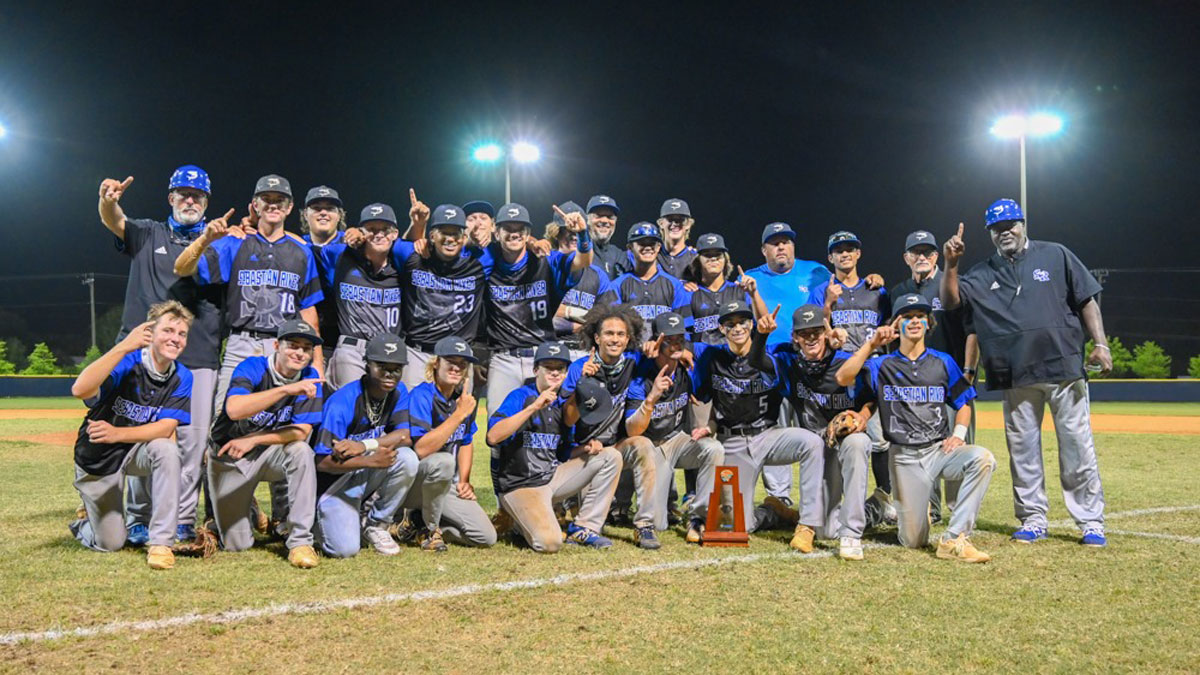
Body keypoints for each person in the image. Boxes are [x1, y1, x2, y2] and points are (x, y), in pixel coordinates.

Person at [940, 198, 1110, 547]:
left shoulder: (1056, 254)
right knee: (1023, 451)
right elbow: (951, 302)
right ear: (990, 234)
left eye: (1011, 225)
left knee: (1077, 448)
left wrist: (1101, 343)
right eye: (998, 228)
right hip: (1013, 373)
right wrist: (951, 264)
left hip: (1063, 368)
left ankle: (1090, 521)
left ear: (1022, 223)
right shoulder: (981, 273)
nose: (1006, 232)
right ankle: (1033, 518)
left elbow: (1086, 299)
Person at [97, 166, 221, 544]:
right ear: (170, 198)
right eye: (183, 193)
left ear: (206, 202)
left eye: (197, 196)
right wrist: (106, 201)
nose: (189, 200)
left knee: (192, 443)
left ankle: (182, 519)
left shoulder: (219, 242)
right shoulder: (149, 232)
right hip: (143, 355)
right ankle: (139, 517)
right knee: (139, 436)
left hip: (198, 353)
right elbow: (114, 220)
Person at [836, 294, 995, 563]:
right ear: (895, 325)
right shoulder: (881, 365)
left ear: (928, 323)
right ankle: (903, 508)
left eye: (920, 316)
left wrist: (958, 436)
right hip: (904, 458)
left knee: (982, 459)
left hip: (938, 451)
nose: (914, 321)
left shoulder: (942, 361)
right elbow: (843, 376)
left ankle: (953, 538)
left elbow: (964, 403)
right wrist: (872, 343)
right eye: (907, 317)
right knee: (913, 541)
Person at [174, 174, 325, 404]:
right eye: (266, 198)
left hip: (285, 346)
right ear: (255, 205)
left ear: (290, 207)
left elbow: (308, 312)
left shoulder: (302, 252)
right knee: (224, 417)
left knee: (278, 416)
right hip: (241, 344)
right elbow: (182, 269)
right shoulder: (235, 242)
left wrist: (317, 364)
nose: (273, 204)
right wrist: (205, 239)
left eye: (280, 200)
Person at [68, 301, 195, 570]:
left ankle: (161, 542)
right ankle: (86, 521)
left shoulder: (183, 376)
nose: (175, 338)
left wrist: (117, 433)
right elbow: (80, 389)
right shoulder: (127, 361)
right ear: (149, 333)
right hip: (98, 456)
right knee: (112, 543)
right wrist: (125, 345)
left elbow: (165, 428)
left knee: (167, 449)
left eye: (181, 334)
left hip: (133, 451)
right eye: (168, 330)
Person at [693, 301, 826, 551]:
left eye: (743, 321)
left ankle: (807, 525)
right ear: (721, 329)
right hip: (733, 441)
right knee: (742, 525)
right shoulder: (712, 357)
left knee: (811, 443)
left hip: (769, 435)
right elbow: (687, 356)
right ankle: (772, 511)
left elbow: (808, 350)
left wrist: (835, 337)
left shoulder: (774, 353)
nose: (737, 328)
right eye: (730, 324)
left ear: (751, 324)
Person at [749, 304, 872, 560]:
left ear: (826, 333)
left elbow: (871, 396)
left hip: (845, 441)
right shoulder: (789, 361)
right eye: (804, 333)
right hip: (816, 446)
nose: (811, 338)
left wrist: (862, 415)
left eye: (816, 331)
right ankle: (790, 514)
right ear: (795, 337)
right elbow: (756, 360)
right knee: (826, 531)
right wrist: (761, 335)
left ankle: (856, 528)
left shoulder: (843, 360)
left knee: (859, 443)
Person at [206, 319, 324, 568]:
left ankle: (301, 541)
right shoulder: (253, 366)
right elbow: (234, 409)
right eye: (293, 345)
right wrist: (286, 391)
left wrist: (254, 439)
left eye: (306, 348)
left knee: (301, 451)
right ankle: (249, 508)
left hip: (267, 453)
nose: (300, 353)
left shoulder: (310, 376)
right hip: (230, 457)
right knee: (238, 544)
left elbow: (301, 431)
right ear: (276, 346)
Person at [487, 341, 622, 551]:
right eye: (548, 367)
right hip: (521, 486)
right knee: (549, 542)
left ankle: (584, 527)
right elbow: (493, 437)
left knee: (610, 456)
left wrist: (585, 449)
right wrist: (533, 407)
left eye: (560, 368)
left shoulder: (562, 403)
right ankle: (518, 521)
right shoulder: (520, 396)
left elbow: (562, 452)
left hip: (552, 478)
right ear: (535, 370)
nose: (555, 372)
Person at [891, 229, 979, 524]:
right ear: (906, 258)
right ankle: (931, 510)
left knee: (956, 445)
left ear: (936, 256)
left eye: (928, 252)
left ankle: (959, 511)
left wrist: (968, 371)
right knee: (922, 447)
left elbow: (972, 331)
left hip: (951, 381)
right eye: (915, 252)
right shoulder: (898, 291)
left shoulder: (952, 284)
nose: (922, 257)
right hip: (914, 386)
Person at [743, 222, 833, 506]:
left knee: (815, 430)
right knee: (776, 428)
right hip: (774, 364)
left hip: (811, 364)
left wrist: (873, 279)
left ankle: (820, 495)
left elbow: (842, 291)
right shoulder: (750, 278)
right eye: (774, 242)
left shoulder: (816, 271)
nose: (781, 247)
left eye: (786, 241)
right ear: (764, 249)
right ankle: (780, 498)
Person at [558, 304, 660, 548]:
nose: (614, 339)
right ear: (596, 337)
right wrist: (583, 383)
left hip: (613, 445)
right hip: (582, 451)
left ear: (628, 339)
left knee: (643, 444)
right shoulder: (578, 368)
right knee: (607, 457)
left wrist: (649, 402)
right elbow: (567, 420)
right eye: (608, 333)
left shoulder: (633, 367)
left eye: (620, 334)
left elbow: (634, 429)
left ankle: (644, 525)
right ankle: (581, 522)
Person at [808, 230, 893, 522]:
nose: (844, 254)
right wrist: (829, 304)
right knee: (840, 436)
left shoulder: (876, 289)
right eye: (838, 250)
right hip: (840, 372)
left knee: (881, 439)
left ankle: (884, 496)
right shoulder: (822, 290)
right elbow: (813, 328)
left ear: (859, 254)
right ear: (830, 257)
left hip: (873, 370)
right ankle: (837, 502)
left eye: (850, 249)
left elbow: (890, 326)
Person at [313, 333, 419, 558]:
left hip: (363, 469)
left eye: (396, 368)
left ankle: (376, 525)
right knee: (345, 549)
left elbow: (405, 435)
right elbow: (320, 462)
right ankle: (317, 523)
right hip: (333, 485)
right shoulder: (343, 402)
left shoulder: (398, 393)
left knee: (407, 457)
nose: (390, 374)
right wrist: (369, 460)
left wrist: (364, 446)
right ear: (367, 365)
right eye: (382, 366)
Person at [624, 312, 724, 544]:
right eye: (671, 339)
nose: (677, 344)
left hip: (677, 439)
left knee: (714, 449)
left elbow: (714, 387)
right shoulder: (641, 374)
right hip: (651, 447)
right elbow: (632, 430)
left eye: (680, 338)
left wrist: (710, 425)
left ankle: (698, 517)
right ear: (657, 341)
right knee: (659, 523)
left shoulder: (686, 370)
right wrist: (651, 398)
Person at [483, 203, 591, 416]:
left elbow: (582, 262)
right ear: (497, 232)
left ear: (528, 233)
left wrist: (582, 234)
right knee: (499, 423)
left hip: (543, 357)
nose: (514, 234)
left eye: (520, 229)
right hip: (504, 357)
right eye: (508, 228)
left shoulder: (546, 260)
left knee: (546, 423)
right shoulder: (488, 261)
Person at [371, 204, 494, 390]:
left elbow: (515, 248)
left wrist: (533, 241)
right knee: (411, 415)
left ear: (464, 237)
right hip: (418, 354)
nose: (450, 239)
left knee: (459, 416)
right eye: (444, 232)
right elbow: (378, 243)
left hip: (458, 358)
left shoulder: (479, 262)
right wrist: (416, 228)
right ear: (432, 235)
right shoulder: (413, 256)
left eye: (456, 234)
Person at [397, 336, 497, 551]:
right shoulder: (422, 395)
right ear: (436, 364)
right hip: (417, 484)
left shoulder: (463, 398)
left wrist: (465, 480)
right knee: (442, 461)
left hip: (446, 484)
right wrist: (459, 415)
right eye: (450, 361)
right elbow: (422, 449)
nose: (456, 367)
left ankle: (420, 525)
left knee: (486, 537)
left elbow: (466, 441)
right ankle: (428, 527)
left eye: (462, 364)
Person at [314, 202, 406, 390]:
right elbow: (306, 245)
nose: (379, 234)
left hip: (390, 352)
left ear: (395, 234)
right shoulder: (342, 257)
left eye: (385, 229)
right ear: (363, 233)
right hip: (352, 349)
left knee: (387, 413)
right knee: (352, 406)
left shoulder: (402, 263)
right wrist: (350, 235)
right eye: (372, 229)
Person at [596, 222, 690, 343]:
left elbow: (686, 327)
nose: (648, 247)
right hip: (630, 356)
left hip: (664, 354)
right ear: (630, 248)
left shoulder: (674, 285)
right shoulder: (617, 286)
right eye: (641, 243)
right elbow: (611, 328)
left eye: (652, 243)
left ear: (659, 247)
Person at [546, 203, 611, 362]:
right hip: (549, 350)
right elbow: (542, 319)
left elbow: (605, 319)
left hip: (585, 353)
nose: (574, 235)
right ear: (556, 233)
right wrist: (579, 322)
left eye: (578, 231)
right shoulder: (546, 265)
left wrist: (564, 312)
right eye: (568, 230)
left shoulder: (598, 275)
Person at [680, 233, 768, 346]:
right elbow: (684, 335)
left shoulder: (740, 290)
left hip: (738, 358)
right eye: (707, 255)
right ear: (697, 261)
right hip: (704, 359)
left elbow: (765, 323)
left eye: (718, 255)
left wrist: (754, 294)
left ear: (725, 260)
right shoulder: (689, 294)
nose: (713, 258)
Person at [299, 185, 347, 358]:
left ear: (340, 214)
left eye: (330, 208)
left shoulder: (354, 245)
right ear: (305, 214)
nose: (323, 213)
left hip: (347, 342)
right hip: (305, 340)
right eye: (317, 208)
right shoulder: (296, 245)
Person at [585, 194, 627, 279]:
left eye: (610, 217)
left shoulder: (619, 256)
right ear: (587, 220)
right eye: (598, 216)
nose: (604, 220)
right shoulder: (576, 249)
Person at [656, 198, 697, 278]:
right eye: (670, 219)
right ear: (661, 223)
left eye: (680, 220)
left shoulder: (695, 259)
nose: (674, 224)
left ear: (688, 224)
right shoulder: (653, 256)